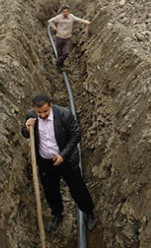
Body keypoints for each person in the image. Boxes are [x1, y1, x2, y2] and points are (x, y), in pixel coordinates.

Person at [21, 93, 97, 232]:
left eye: (45, 111)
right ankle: (57, 214)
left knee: (78, 189)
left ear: (50, 105)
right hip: (45, 162)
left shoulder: (64, 114)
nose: (42, 115)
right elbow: (26, 134)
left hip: (66, 160)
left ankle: (89, 213)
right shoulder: (31, 116)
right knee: (51, 191)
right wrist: (26, 128)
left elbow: (76, 135)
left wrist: (63, 155)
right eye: (39, 112)